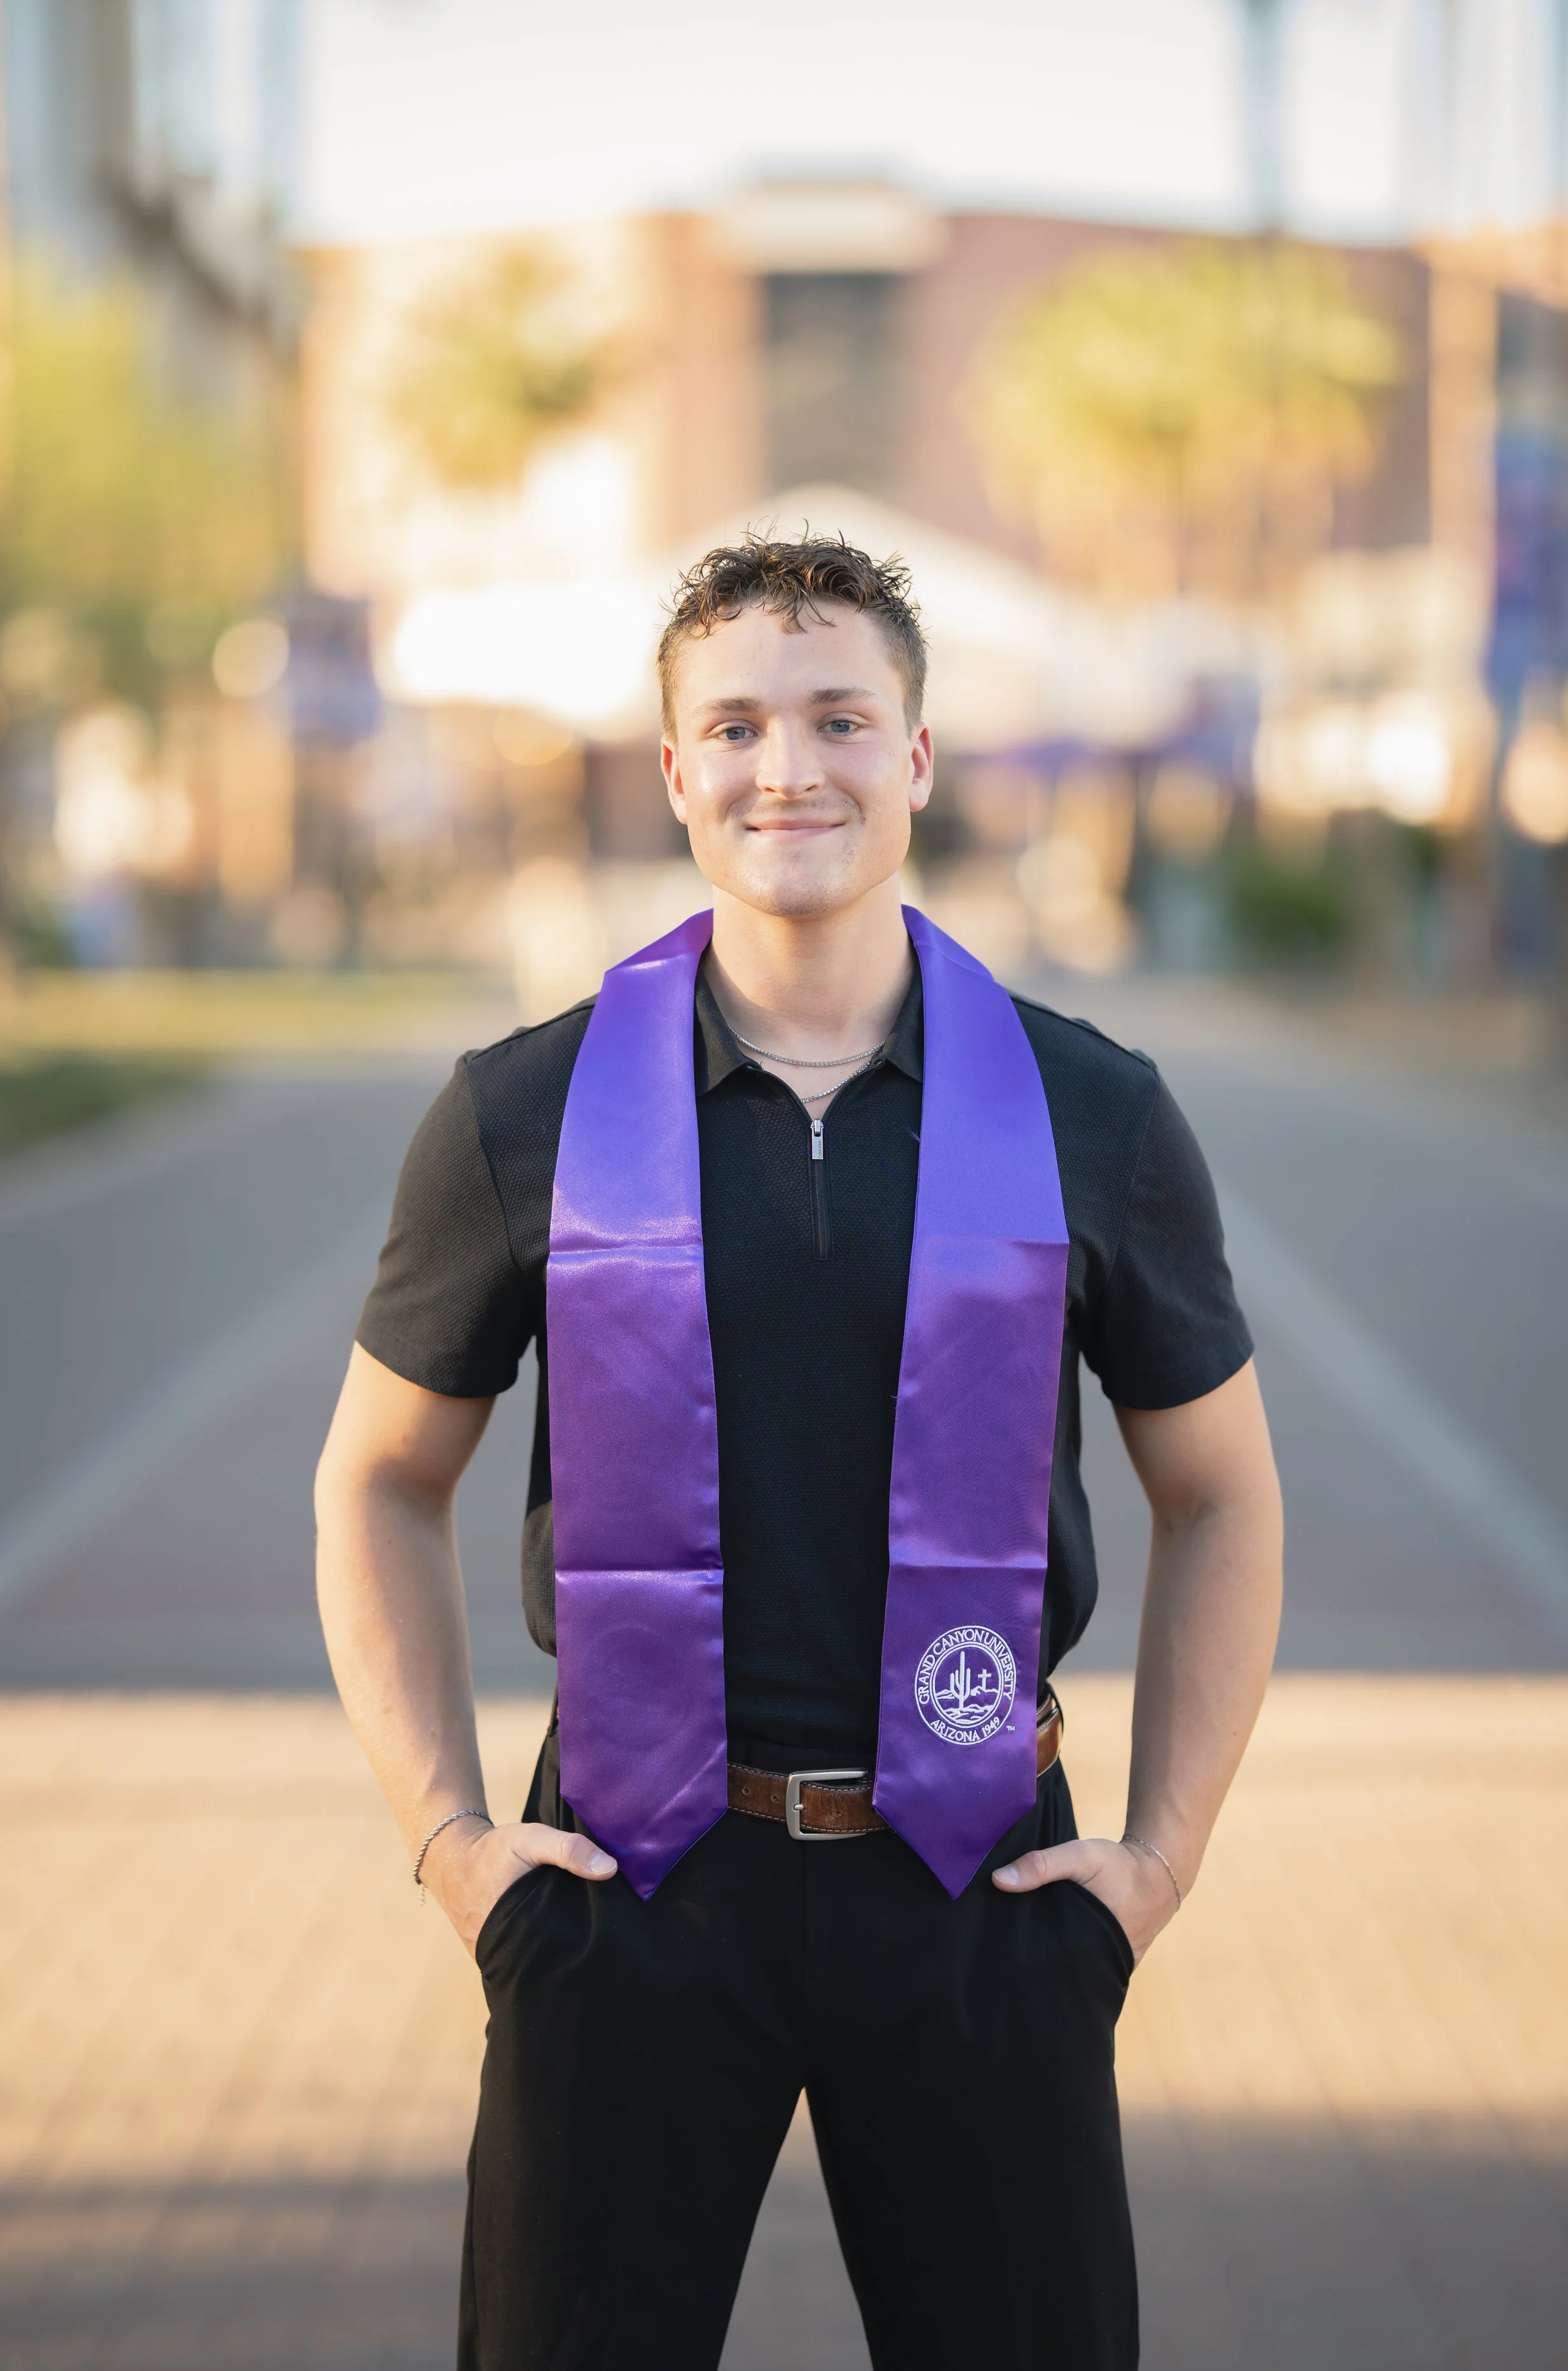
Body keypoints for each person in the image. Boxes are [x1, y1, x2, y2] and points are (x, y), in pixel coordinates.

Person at [315, 537, 1284, 2371]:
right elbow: (374, 1477)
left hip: (981, 1877)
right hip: (632, 1882)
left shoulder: (1094, 1110)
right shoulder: (520, 1109)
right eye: (737, 725)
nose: (790, 770)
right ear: (674, 768)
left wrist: (1156, 1858)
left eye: (840, 717)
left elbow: (1222, 1491)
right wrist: (453, 1842)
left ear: (915, 756)